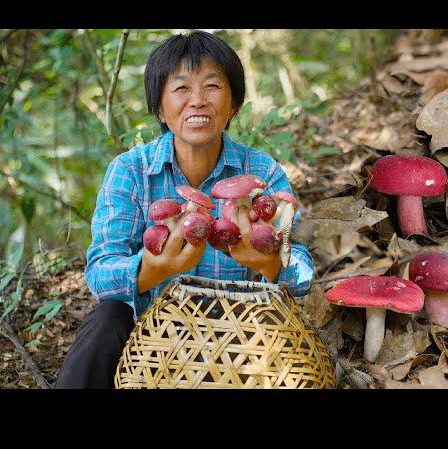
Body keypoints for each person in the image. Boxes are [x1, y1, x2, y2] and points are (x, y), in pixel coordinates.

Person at [55, 31, 315, 389]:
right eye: (181, 89)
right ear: (160, 108)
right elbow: (100, 272)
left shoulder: (263, 173)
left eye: (212, 86)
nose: (198, 101)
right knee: (107, 318)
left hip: (243, 329)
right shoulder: (131, 171)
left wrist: (268, 263)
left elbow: (301, 271)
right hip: (153, 336)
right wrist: (149, 270)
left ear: (234, 105)